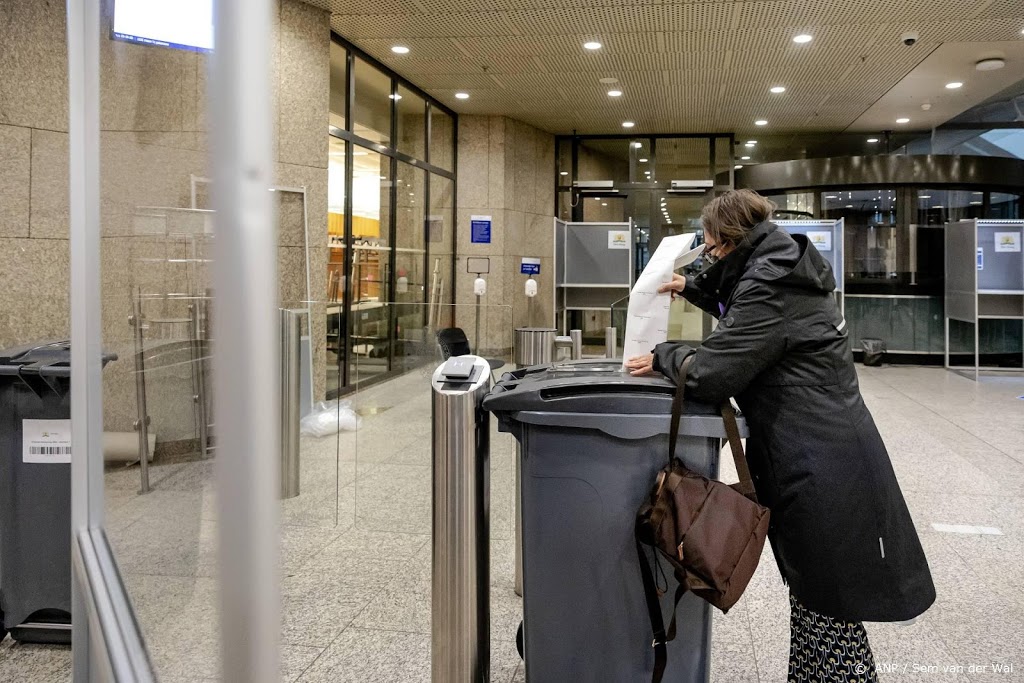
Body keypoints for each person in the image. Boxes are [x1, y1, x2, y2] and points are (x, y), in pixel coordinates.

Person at [626, 189, 935, 683]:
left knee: (826, 606)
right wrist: (696, 288)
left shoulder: (771, 283)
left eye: (708, 248)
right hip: (823, 450)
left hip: (820, 466)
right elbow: (749, 315)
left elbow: (714, 371)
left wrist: (666, 354)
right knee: (819, 604)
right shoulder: (779, 264)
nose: (707, 256)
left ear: (729, 242)